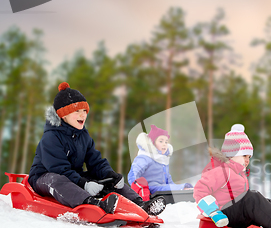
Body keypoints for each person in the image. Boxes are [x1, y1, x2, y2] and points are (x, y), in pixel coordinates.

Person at [28, 82, 167, 216]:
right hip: (44, 177)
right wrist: (84, 184)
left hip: (73, 176)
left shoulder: (83, 135)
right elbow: (58, 169)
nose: (83, 115)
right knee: (57, 180)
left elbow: (95, 161)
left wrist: (110, 175)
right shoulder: (51, 137)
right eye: (77, 111)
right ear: (63, 115)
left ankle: (141, 204)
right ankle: (93, 204)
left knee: (107, 179)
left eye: (84, 111)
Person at [194, 124, 271, 228]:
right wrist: (213, 212)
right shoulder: (222, 170)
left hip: (236, 215)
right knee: (252, 197)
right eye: (244, 156)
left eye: (249, 157)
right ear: (231, 154)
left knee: (268, 202)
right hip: (222, 216)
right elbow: (200, 191)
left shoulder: (239, 174)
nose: (247, 160)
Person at [128, 124, 193, 195]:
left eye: (166, 142)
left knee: (174, 188)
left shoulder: (162, 160)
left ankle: (185, 192)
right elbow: (133, 175)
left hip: (162, 188)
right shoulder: (145, 157)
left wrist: (175, 187)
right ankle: (184, 190)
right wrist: (139, 188)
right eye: (161, 141)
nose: (164, 144)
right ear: (153, 143)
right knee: (174, 188)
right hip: (150, 189)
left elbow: (168, 179)